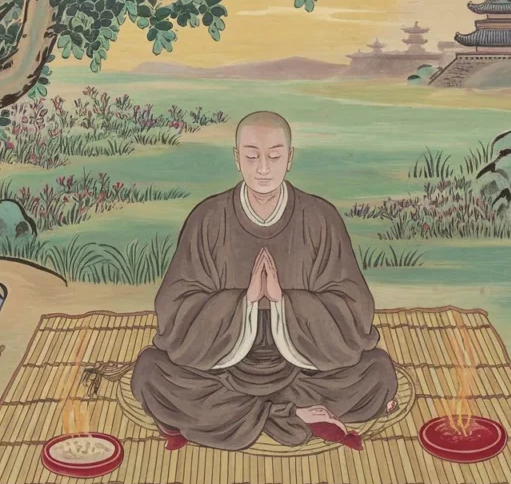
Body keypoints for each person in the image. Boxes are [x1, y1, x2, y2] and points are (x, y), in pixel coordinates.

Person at [130, 111, 398, 452]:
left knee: (377, 373)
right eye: (251, 155)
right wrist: (243, 302)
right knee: (151, 373)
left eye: (274, 156)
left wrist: (284, 302)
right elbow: (175, 304)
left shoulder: (319, 217)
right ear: (236, 158)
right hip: (220, 369)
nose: (262, 168)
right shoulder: (208, 217)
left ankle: (243, 416)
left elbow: (353, 305)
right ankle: (292, 414)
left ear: (290, 159)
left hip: (306, 368)